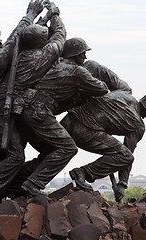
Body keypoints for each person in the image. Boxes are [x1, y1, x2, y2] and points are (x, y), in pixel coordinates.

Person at [10, 37, 109, 197]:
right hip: (39, 111)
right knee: (68, 148)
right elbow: (101, 89)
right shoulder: (77, 71)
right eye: (83, 54)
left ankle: (15, 183)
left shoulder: (53, 63)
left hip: (26, 107)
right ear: (75, 54)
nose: (85, 58)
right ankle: (32, 184)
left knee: (49, 150)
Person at [62, 89, 146, 203]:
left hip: (68, 120)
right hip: (84, 131)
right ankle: (82, 172)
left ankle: (37, 180)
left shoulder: (123, 93)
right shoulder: (138, 125)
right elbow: (127, 155)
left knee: (51, 151)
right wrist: (122, 184)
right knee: (126, 156)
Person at [0, 0, 45, 202]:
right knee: (15, 156)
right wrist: (29, 14)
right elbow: (15, 40)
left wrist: (39, 22)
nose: (2, 41)